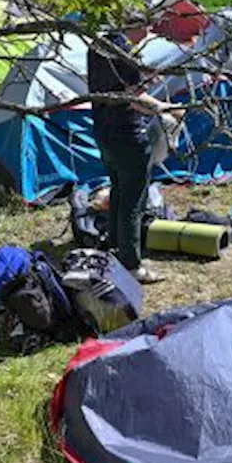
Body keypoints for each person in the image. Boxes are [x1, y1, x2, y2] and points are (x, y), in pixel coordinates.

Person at [88, 14, 174, 284]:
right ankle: (132, 264)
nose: (147, 34)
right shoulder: (123, 52)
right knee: (133, 202)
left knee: (117, 188)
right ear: (133, 25)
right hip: (129, 134)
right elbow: (134, 98)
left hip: (103, 131)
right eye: (146, 28)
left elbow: (111, 87)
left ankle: (114, 246)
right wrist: (163, 109)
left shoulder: (97, 46)